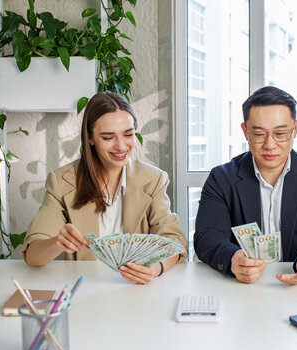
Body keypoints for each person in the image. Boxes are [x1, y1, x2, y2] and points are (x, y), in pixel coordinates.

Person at [194, 86, 297, 285]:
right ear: (245, 132)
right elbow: (206, 236)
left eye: (280, 133)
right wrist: (233, 259)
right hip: (239, 286)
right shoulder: (221, 178)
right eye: (259, 134)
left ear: (295, 129)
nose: (270, 145)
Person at [22, 91, 188, 284]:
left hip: (135, 289)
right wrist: (57, 242)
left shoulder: (153, 179)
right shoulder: (62, 181)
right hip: (86, 288)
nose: (121, 146)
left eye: (128, 134)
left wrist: (155, 268)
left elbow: (175, 241)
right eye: (108, 137)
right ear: (90, 138)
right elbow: (33, 257)